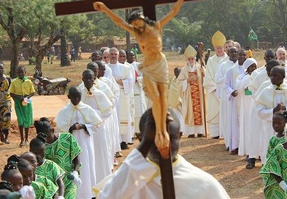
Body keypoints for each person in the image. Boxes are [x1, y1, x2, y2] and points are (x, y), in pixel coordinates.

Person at [94, 0, 194, 159]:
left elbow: (173, 12)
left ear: (142, 19)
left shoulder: (156, 26)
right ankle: (160, 132)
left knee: (162, 96)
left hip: (160, 63)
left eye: (138, 22)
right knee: (155, 97)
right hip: (148, 65)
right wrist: (104, 9)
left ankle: (162, 129)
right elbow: (119, 21)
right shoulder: (136, 32)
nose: (136, 26)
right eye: (134, 25)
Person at [95, 108, 230, 198]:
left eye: (170, 138)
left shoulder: (203, 184)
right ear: (140, 139)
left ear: (179, 136)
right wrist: (145, 144)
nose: (162, 145)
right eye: (153, 139)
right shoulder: (128, 181)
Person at [54, 86, 103, 199]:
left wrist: (83, 126)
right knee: (74, 168)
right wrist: (70, 128)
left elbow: (96, 125)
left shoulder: (87, 109)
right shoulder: (64, 111)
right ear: (68, 97)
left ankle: (89, 194)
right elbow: (60, 131)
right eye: (73, 97)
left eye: (78, 96)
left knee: (87, 167)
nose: (76, 99)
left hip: (85, 145)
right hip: (70, 146)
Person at [255, 66, 287, 164]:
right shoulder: (265, 91)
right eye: (271, 75)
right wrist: (273, 111)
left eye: (276, 75)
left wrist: (286, 110)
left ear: (283, 76)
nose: (272, 78)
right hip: (271, 129)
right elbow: (260, 112)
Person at [34, 117, 82, 199]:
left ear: (52, 130)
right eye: (44, 138)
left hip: (69, 179)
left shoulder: (67, 138)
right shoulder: (42, 147)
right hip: (53, 184)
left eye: (48, 137)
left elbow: (76, 157)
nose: (47, 140)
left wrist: (75, 172)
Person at [80, 69, 113, 183]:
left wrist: (93, 115)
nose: (88, 80)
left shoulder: (100, 93)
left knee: (100, 155)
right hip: (84, 131)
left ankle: (103, 182)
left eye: (91, 78)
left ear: (94, 79)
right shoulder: (80, 93)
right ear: (82, 79)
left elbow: (108, 111)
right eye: (86, 78)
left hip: (98, 129)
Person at [107, 47, 135, 149]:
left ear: (118, 56)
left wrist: (118, 82)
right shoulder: (105, 68)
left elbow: (131, 82)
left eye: (115, 54)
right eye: (112, 54)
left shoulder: (125, 68)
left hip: (122, 98)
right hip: (110, 99)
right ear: (109, 55)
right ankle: (114, 141)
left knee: (122, 118)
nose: (113, 56)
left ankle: (123, 141)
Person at [177, 45, 206, 138]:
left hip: (199, 95)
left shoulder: (200, 68)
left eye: (192, 58)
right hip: (189, 96)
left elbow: (206, 78)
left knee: (200, 111)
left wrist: (204, 72)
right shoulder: (184, 70)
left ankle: (201, 131)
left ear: (195, 58)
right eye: (189, 59)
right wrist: (188, 80)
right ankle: (191, 132)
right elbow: (178, 82)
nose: (191, 60)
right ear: (187, 60)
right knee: (190, 112)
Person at [203, 31, 227, 139]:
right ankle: (215, 133)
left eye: (221, 47)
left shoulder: (229, 60)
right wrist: (215, 88)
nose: (219, 50)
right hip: (214, 91)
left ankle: (225, 133)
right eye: (217, 48)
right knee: (214, 110)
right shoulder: (211, 61)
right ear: (214, 48)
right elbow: (208, 77)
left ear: (224, 48)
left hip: (226, 91)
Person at [235, 58, 258, 164]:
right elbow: (238, 87)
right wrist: (248, 77)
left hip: (254, 106)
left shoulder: (258, 76)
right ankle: (248, 151)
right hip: (245, 106)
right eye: (251, 66)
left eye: (255, 66)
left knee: (254, 130)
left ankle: (256, 153)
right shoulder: (241, 77)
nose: (253, 68)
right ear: (246, 67)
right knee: (246, 128)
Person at [223, 49, 246, 154]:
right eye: (239, 54)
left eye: (242, 55)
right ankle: (235, 146)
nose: (239, 56)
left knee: (245, 122)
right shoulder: (231, 70)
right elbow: (226, 84)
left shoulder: (249, 69)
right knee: (235, 123)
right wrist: (231, 91)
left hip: (246, 101)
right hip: (235, 100)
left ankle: (246, 146)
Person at [29, 133, 65, 198]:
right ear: (30, 151)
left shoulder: (51, 165)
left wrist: (61, 196)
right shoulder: (27, 167)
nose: (39, 156)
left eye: (41, 153)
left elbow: (60, 183)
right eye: (36, 153)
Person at [215, 47, 238, 147]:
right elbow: (217, 79)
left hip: (239, 96)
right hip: (227, 96)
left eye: (235, 52)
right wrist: (228, 76)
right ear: (228, 54)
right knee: (229, 119)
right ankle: (229, 143)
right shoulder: (223, 65)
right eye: (231, 52)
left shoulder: (241, 65)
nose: (233, 54)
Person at [9, 65, 35, 147]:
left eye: (22, 72)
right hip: (18, 102)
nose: (21, 74)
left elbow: (33, 92)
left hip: (27, 102)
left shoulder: (29, 82)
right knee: (20, 121)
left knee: (26, 121)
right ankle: (22, 139)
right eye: (19, 72)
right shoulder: (14, 82)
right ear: (17, 73)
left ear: (25, 72)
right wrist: (18, 98)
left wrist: (27, 97)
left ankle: (27, 138)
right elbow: (11, 93)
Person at [127, 50, 147, 135]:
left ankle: (140, 130)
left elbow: (145, 77)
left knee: (140, 111)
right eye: (130, 56)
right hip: (129, 92)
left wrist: (137, 79)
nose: (132, 57)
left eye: (133, 55)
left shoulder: (138, 66)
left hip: (138, 89)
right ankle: (132, 132)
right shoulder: (125, 66)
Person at [0, 61, 12, 144]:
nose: (0, 69)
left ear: (4, 68)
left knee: (7, 119)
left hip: (7, 101)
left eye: (1, 68)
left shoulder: (8, 78)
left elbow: (10, 90)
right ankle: (1, 134)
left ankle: (6, 138)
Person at [168, 67, 184, 135]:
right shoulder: (172, 80)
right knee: (175, 116)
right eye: (175, 72)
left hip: (181, 102)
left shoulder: (183, 80)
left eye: (178, 72)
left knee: (181, 116)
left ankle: (182, 129)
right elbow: (171, 91)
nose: (176, 73)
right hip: (174, 102)